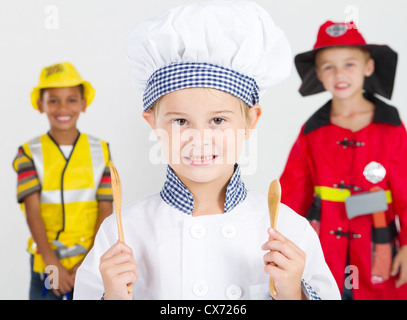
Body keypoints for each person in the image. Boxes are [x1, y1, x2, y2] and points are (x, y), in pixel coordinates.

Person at [74, 0, 340, 300]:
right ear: (153, 123)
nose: (200, 138)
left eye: (217, 120)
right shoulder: (121, 231)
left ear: (250, 120)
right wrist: (113, 296)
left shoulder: (288, 228)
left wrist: (293, 293)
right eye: (180, 121)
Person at [280, 21, 407, 299]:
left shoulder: (391, 126)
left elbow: (405, 189)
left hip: (377, 237)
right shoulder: (312, 130)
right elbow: (292, 191)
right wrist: (281, 240)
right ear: (319, 74)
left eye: (349, 64)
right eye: (329, 66)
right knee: (326, 288)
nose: (339, 74)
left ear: (368, 67)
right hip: (325, 237)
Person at [13, 62, 113, 300]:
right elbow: (32, 210)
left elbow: (106, 209)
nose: (63, 107)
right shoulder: (29, 152)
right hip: (46, 264)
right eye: (53, 100)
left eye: (71, 99)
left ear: (83, 104)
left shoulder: (101, 150)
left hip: (90, 259)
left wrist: (87, 263)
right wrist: (51, 261)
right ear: (41, 105)